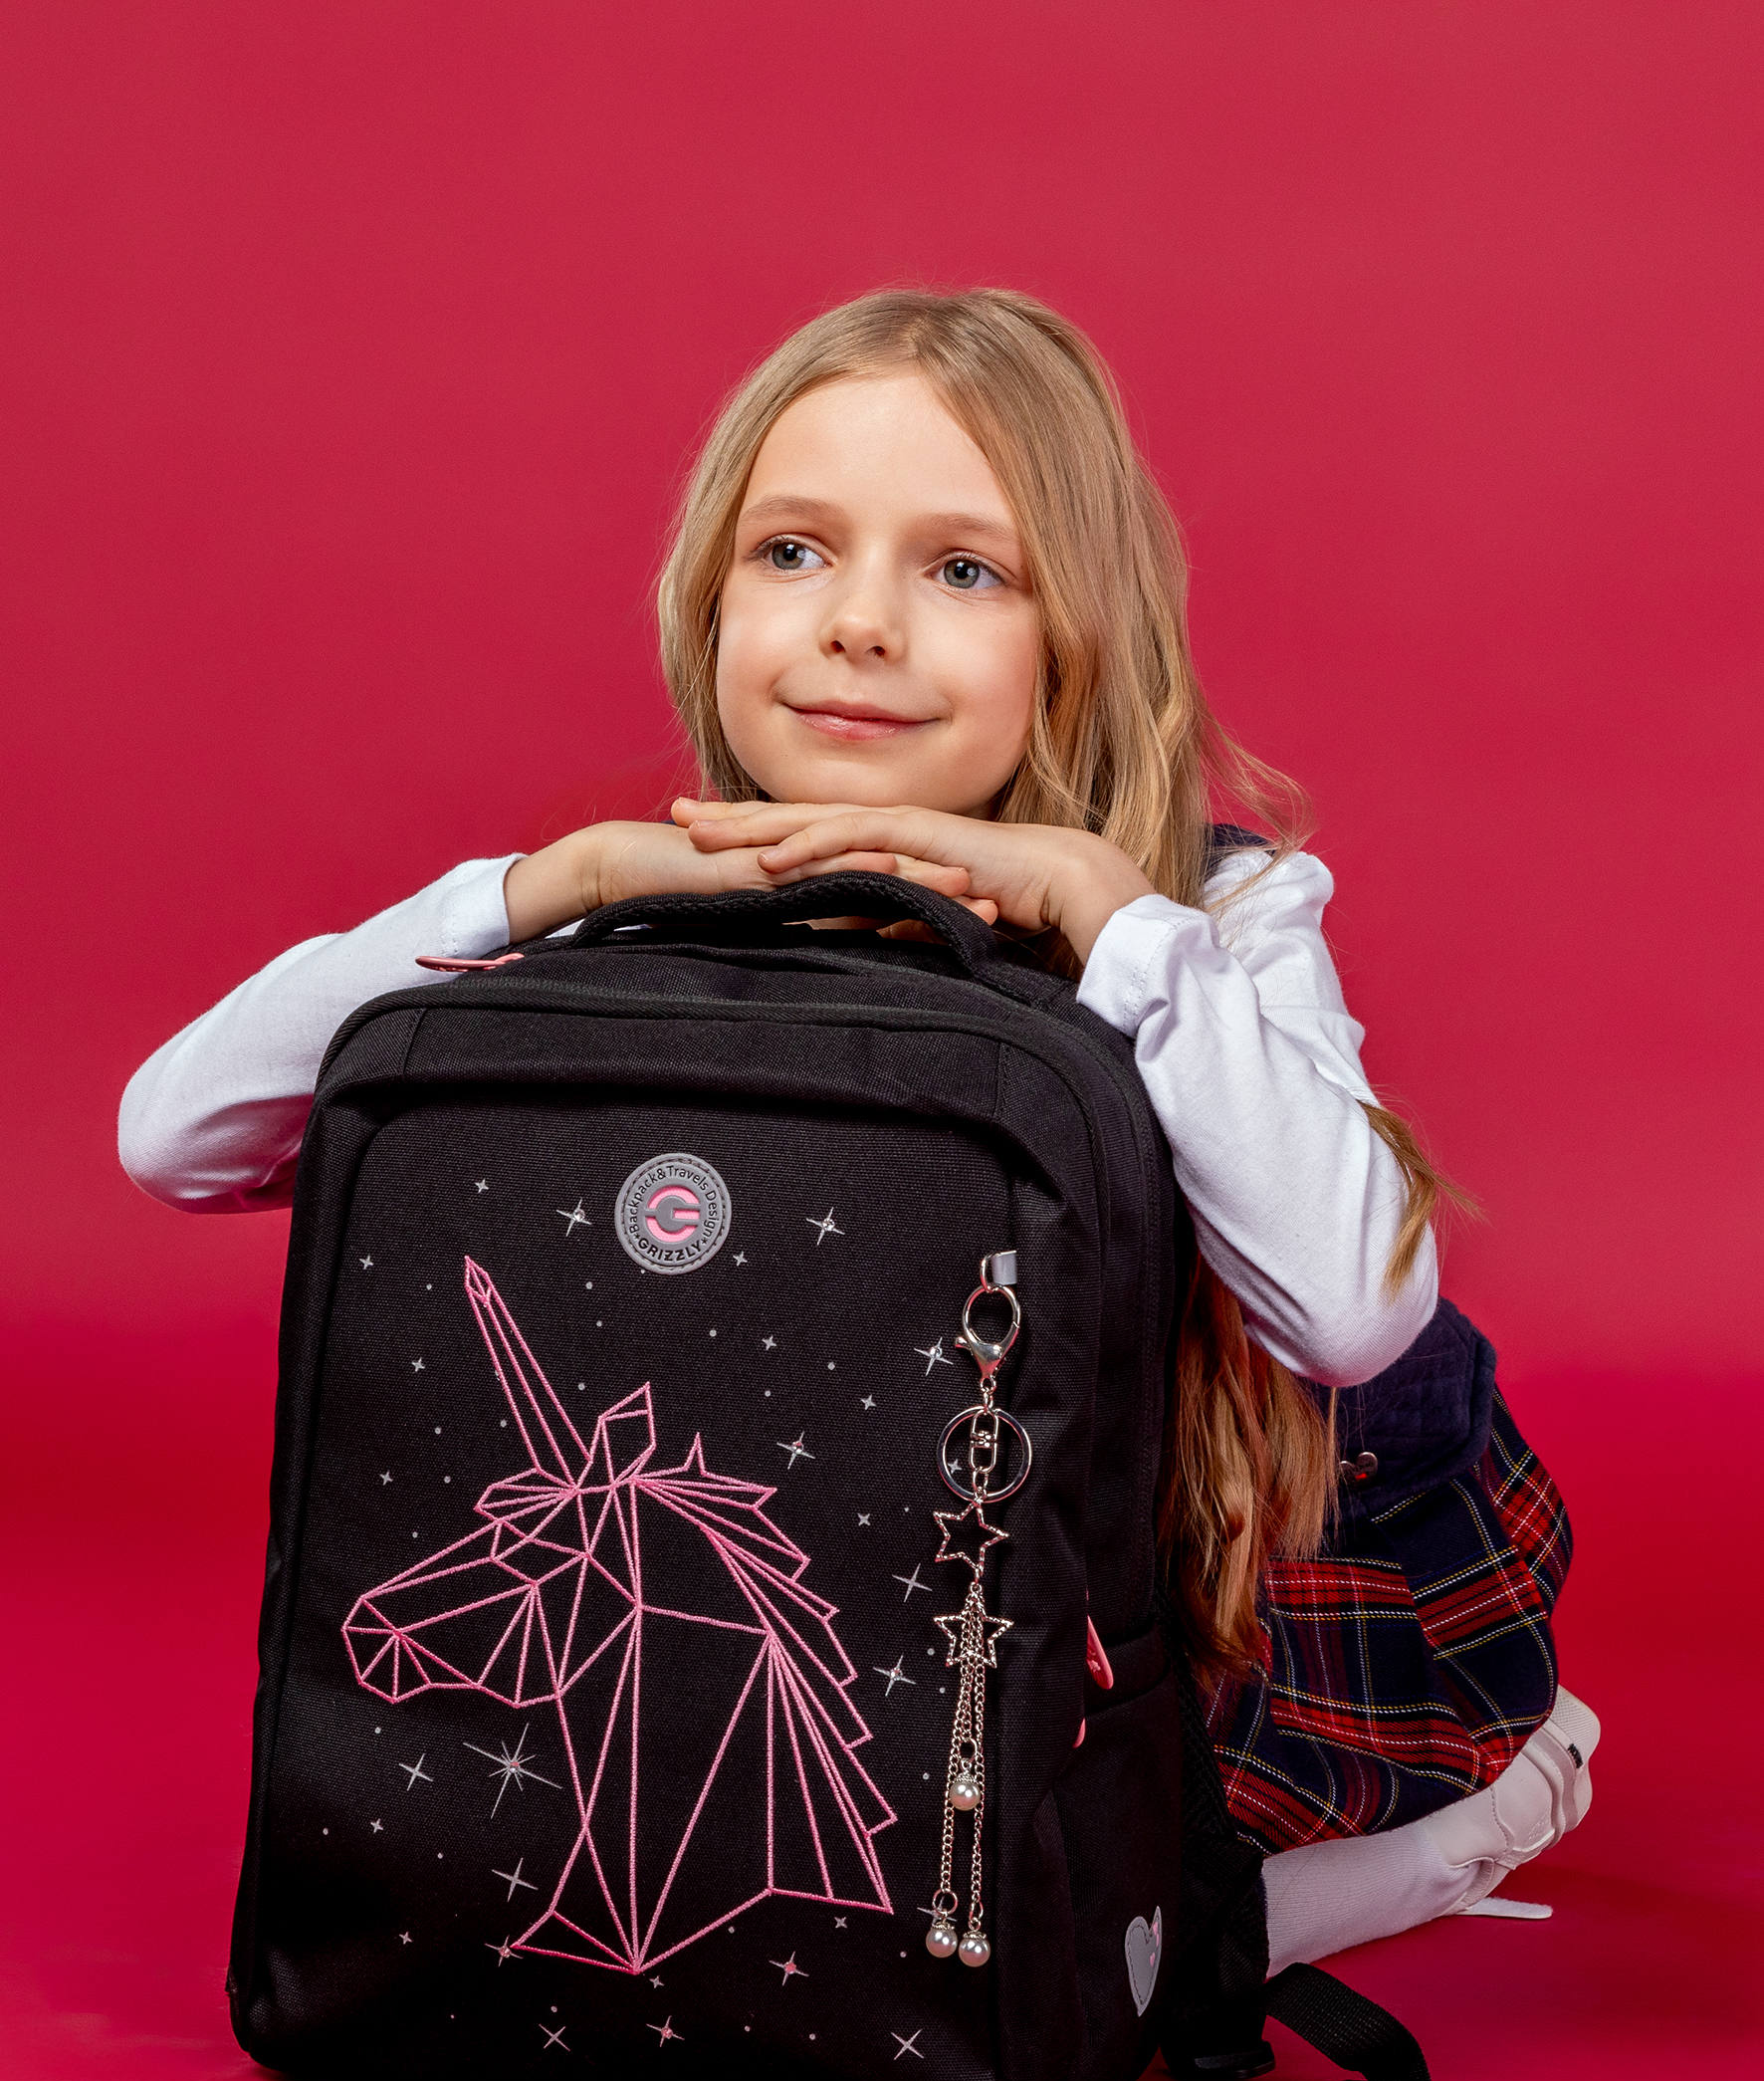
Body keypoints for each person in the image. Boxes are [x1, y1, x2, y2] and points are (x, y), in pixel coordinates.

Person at [118, 286, 1596, 1973]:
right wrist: (552, 885)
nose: (860, 624)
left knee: (1107, 1943)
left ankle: (1479, 1819)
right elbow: (178, 1136)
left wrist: (1106, 915)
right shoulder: (645, 921)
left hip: (1235, 1573)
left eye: (963, 570)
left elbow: (1350, 1312)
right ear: (711, 599)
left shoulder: (1211, 916)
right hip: (895, 1567)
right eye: (794, 551)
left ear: (1081, 637)